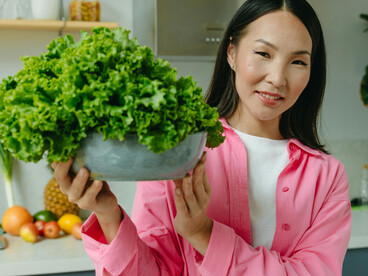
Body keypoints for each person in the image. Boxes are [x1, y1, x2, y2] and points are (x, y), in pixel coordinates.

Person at [52, 0, 351, 275]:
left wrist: (203, 234)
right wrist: (106, 212)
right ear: (232, 53)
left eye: (298, 62)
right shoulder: (176, 150)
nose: (277, 77)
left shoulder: (327, 176)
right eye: (263, 53)